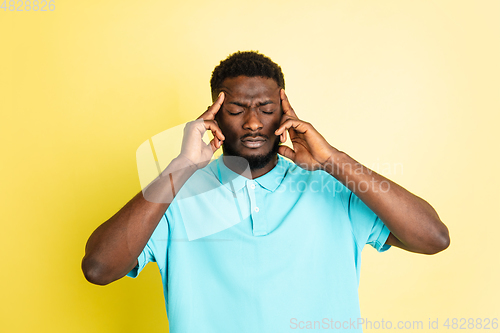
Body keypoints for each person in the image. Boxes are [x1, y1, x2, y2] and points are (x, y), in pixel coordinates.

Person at [82, 51, 450, 332]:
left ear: (283, 114)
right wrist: (180, 168)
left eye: (266, 108)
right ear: (214, 117)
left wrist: (333, 160)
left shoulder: (334, 188)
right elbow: (99, 267)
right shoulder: (176, 198)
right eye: (238, 109)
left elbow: (432, 237)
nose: (254, 122)